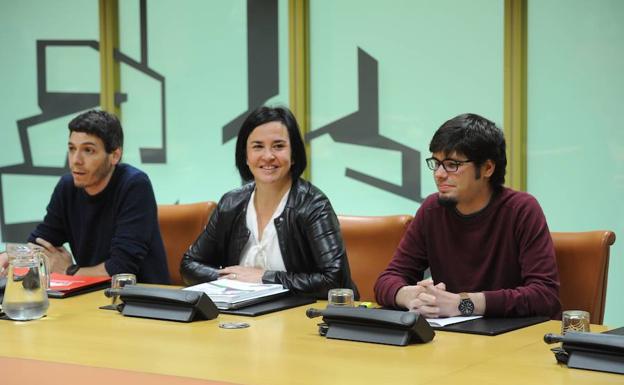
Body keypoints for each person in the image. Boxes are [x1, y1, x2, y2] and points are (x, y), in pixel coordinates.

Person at [374, 113, 560, 318]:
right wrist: (409, 295)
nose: (439, 174)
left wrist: (463, 304)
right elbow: (387, 279)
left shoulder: (521, 210)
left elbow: (545, 296)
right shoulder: (432, 210)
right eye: (436, 163)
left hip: (510, 339)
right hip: (451, 339)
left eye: (452, 165)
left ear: (488, 168)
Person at [180, 106, 358, 299]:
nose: (268, 156)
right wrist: (233, 278)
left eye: (278, 146)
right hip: (242, 317)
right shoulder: (231, 203)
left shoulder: (313, 205)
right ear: (245, 156)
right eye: (257, 146)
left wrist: (264, 277)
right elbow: (189, 265)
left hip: (301, 317)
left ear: (294, 154)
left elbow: (334, 280)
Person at [1, 110, 169, 283]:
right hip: (90, 295)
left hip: (141, 301)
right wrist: (10, 256)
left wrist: (69, 270)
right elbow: (41, 242)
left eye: (88, 150)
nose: (76, 160)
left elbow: (120, 269)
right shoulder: (67, 187)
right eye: (72, 149)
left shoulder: (134, 185)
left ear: (115, 156)